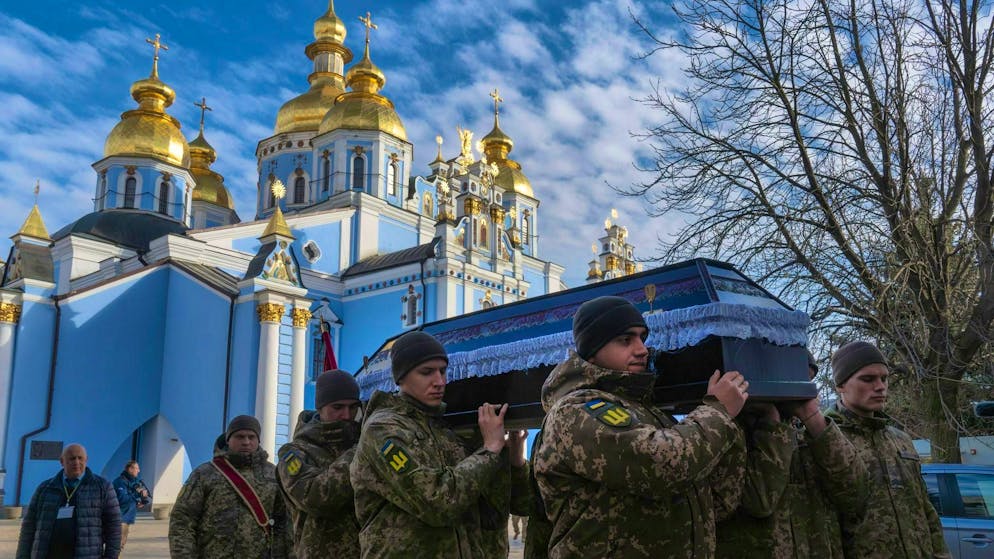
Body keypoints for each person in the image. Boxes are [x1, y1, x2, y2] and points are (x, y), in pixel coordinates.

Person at [533, 295, 749, 558]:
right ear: (592, 350)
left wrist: (738, 423)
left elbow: (716, 500)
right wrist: (718, 411)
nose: (642, 349)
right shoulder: (576, 411)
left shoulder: (649, 412)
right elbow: (662, 464)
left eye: (642, 338)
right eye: (625, 340)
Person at [349, 330, 509, 558]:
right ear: (401, 378)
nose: (440, 381)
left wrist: (510, 454)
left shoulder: (445, 429)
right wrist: (490, 449)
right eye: (427, 372)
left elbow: (498, 509)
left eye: (443, 371)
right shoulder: (383, 430)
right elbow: (437, 502)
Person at [715, 350, 868, 558]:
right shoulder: (728, 432)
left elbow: (856, 495)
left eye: (808, 380)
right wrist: (771, 421)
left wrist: (813, 417)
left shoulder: (814, 433)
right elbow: (760, 503)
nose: (801, 388)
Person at [825, 341, 950, 559]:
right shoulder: (825, 440)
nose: (880, 386)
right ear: (840, 385)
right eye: (868, 379)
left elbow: (924, 507)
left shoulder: (900, 439)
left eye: (884, 378)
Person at [169, 415, 290, 559]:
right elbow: (182, 520)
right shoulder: (205, 474)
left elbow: (284, 522)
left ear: (258, 440)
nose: (246, 442)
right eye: (239, 436)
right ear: (228, 439)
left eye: (251, 437)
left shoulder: (273, 475)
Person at [277, 369, 362, 558]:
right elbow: (316, 497)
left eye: (353, 407)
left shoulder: (361, 440)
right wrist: (359, 452)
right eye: (337, 407)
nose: (347, 415)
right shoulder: (294, 454)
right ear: (320, 408)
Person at [16, 443, 121, 559]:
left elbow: (114, 527)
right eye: (71, 458)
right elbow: (29, 527)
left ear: (86, 460)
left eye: (80, 458)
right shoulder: (45, 488)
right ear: (62, 461)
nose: (76, 462)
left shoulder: (102, 487)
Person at [112, 460, 150, 552]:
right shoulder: (120, 482)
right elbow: (122, 499)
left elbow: (134, 495)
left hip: (126, 518)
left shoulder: (133, 481)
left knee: (120, 544)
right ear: (130, 469)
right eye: (137, 468)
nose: (139, 470)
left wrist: (142, 499)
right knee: (116, 546)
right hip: (119, 518)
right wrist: (136, 497)